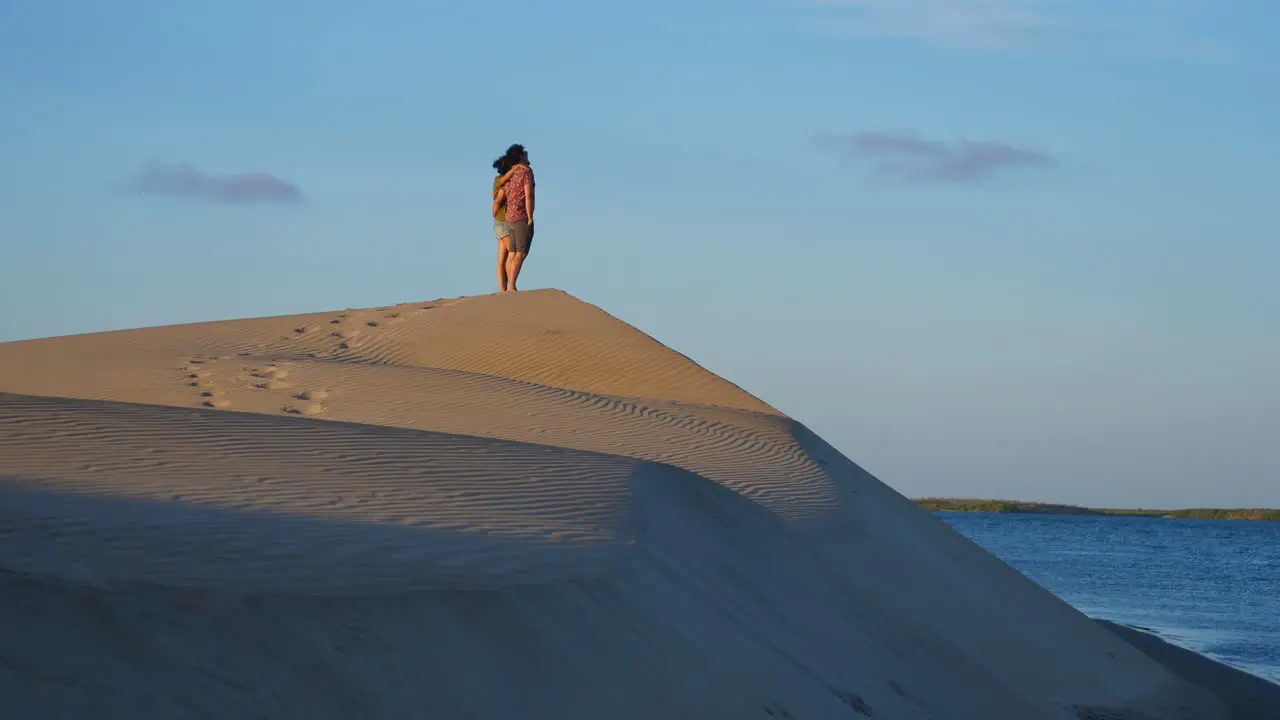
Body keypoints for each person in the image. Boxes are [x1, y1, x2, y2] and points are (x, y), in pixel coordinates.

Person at [491, 144, 534, 292]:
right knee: (517, 253)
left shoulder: (506, 179)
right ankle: (509, 286)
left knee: (505, 257)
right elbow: (528, 196)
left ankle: (505, 288)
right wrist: (530, 216)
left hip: (505, 220)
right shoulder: (519, 175)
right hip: (509, 220)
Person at [491, 155, 523, 292]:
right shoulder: (499, 181)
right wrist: (517, 167)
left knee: (502, 258)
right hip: (501, 223)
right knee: (513, 252)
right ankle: (509, 286)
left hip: (502, 223)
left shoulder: (504, 182)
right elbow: (496, 205)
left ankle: (503, 288)